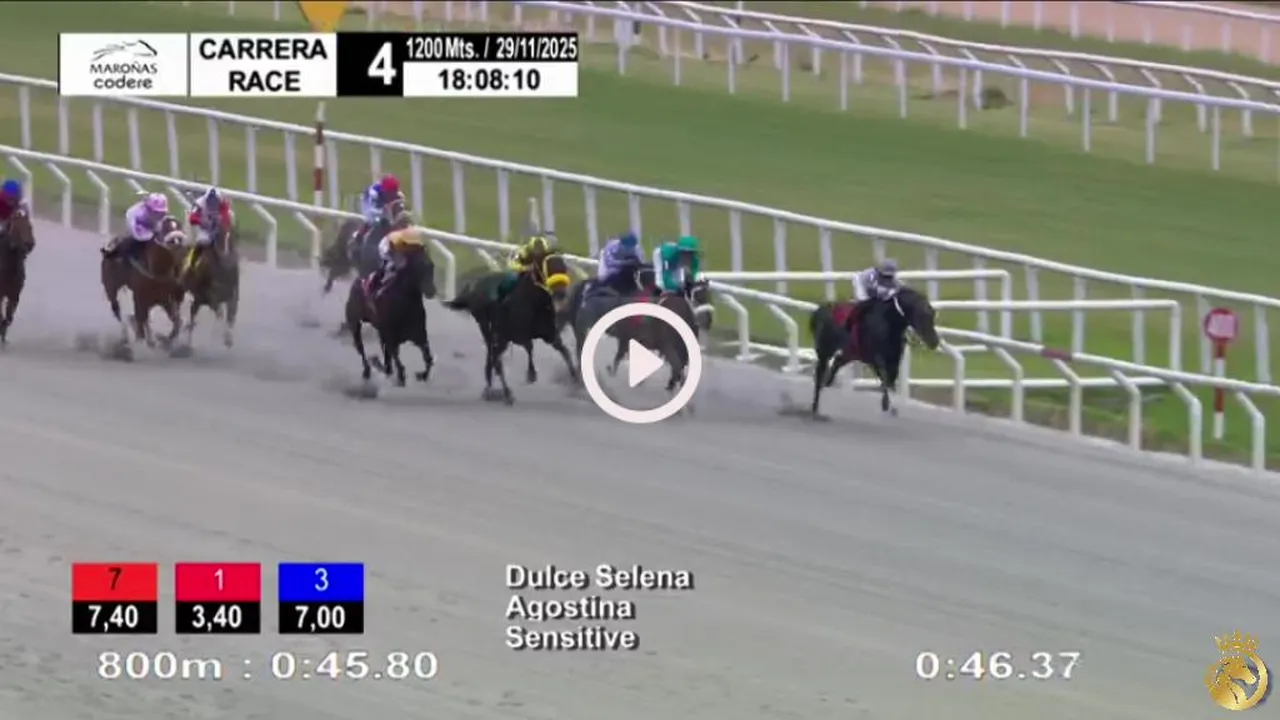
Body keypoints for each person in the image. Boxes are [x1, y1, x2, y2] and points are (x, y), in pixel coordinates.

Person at [181, 186, 234, 280]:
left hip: (217, 229)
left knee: (226, 246)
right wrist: (201, 221)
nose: (212, 203)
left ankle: (227, 269)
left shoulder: (223, 204)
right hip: (204, 229)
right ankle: (190, 265)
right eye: (210, 201)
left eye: (215, 201)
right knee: (201, 242)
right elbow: (192, 218)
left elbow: (226, 219)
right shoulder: (199, 203)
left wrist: (221, 222)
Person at [365, 210, 417, 296]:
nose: (407, 228)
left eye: (408, 225)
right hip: (388, 260)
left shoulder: (411, 238)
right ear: (399, 225)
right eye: (404, 225)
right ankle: (373, 291)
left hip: (402, 264)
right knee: (386, 272)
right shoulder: (391, 237)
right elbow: (387, 253)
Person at [104, 192, 169, 257]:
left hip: (148, 225)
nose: (159, 216)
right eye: (157, 213)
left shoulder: (159, 218)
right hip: (135, 223)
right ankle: (112, 248)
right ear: (148, 209)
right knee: (128, 238)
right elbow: (134, 232)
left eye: (162, 214)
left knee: (159, 238)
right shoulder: (135, 213)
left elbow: (158, 230)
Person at [846, 258, 903, 331]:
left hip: (873, 288)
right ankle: (851, 323)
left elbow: (895, 288)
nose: (887, 278)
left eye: (889, 276)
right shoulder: (871, 275)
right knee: (864, 301)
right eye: (885, 276)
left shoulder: (894, 280)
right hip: (861, 282)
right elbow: (871, 291)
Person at [351, 174, 403, 252]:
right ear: (385, 190)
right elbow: (373, 210)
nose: (392, 195)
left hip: (382, 203)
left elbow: (401, 208)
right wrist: (382, 211)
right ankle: (359, 236)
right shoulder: (373, 193)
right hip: (368, 202)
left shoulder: (398, 194)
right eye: (390, 193)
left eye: (393, 193)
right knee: (373, 221)